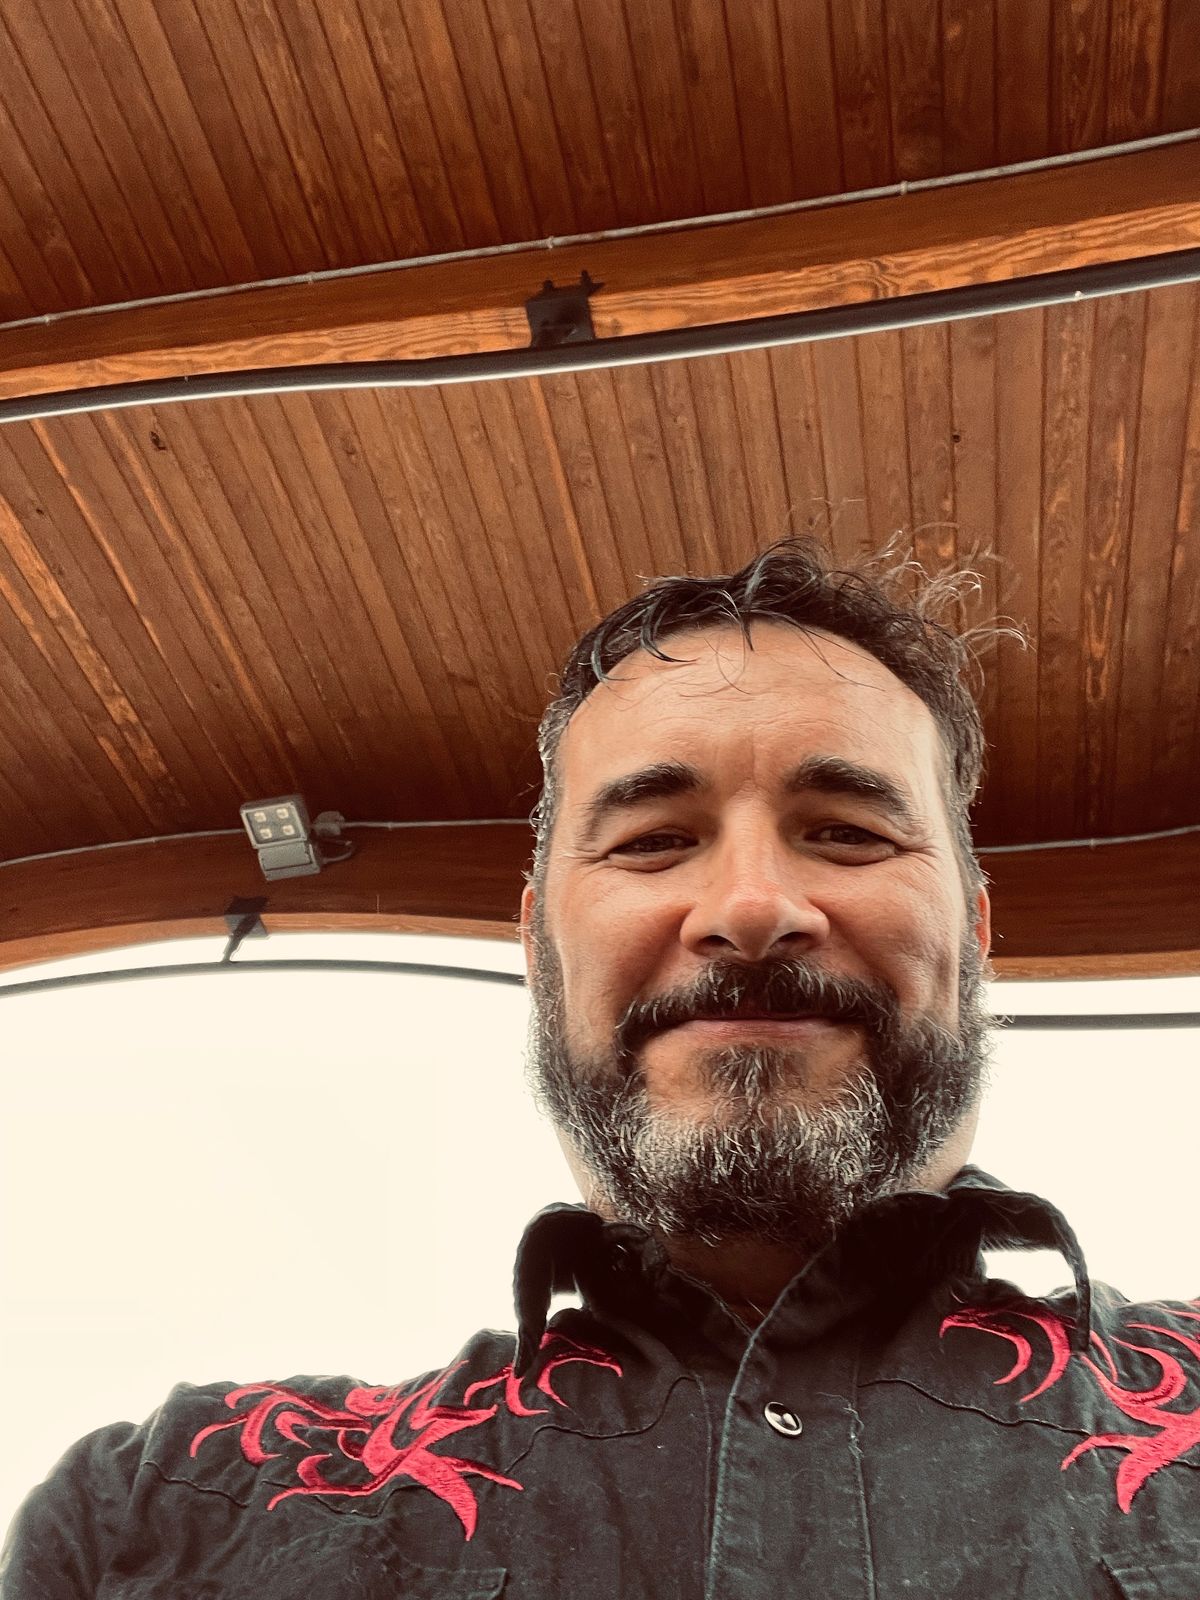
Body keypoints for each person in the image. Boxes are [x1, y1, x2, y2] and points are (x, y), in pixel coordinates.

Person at [2, 540, 1195, 1597]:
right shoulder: (168, 1511)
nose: (750, 907)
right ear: (540, 950)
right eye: (653, 840)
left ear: (976, 933)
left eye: (848, 831)